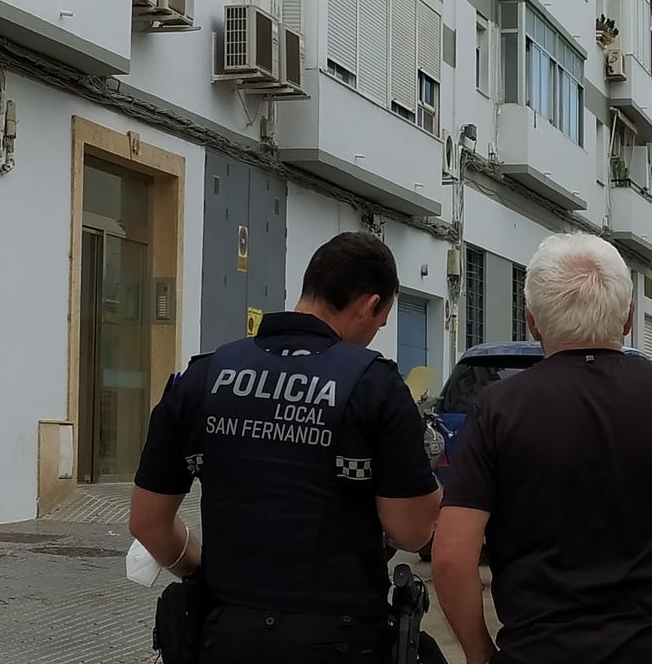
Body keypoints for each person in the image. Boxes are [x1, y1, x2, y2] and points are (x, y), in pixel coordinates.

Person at [433, 234, 652, 664]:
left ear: (532, 322)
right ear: (629, 316)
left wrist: (480, 653)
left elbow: (450, 557)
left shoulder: (497, 409)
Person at [129, 231, 442, 663]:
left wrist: (202, 570)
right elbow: (411, 531)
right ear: (369, 305)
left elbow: (147, 524)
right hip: (342, 639)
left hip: (224, 635)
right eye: (380, 321)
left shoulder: (201, 379)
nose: (373, 335)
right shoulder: (376, 386)